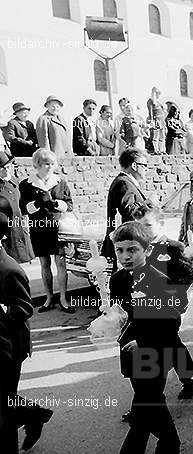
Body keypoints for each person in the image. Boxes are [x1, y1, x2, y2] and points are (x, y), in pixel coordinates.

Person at [110, 222, 182, 453]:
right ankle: (169, 440)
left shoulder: (159, 279)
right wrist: (110, 321)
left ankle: (161, 444)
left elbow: (172, 322)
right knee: (150, 402)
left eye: (132, 250)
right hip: (130, 351)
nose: (125, 256)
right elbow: (120, 313)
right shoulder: (118, 279)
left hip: (156, 352)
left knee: (146, 401)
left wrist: (144, 340)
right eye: (120, 250)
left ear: (147, 250)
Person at [0, 201, 53, 453]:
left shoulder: (8, 269)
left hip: (8, 347)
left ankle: (31, 417)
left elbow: (23, 307)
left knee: (4, 406)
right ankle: (34, 414)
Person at [19, 149, 74, 313]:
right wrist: (38, 203)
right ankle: (49, 298)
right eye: (46, 164)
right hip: (39, 228)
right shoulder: (27, 184)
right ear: (38, 165)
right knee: (44, 264)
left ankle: (63, 298)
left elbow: (69, 205)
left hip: (58, 228)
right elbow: (24, 208)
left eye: (52, 163)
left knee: (61, 263)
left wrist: (57, 204)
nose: (50, 167)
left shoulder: (60, 182)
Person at [101, 148, 149, 270]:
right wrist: (149, 207)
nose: (146, 169)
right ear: (134, 165)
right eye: (144, 165)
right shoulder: (124, 184)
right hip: (128, 243)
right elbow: (130, 214)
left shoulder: (125, 182)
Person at [0, 153, 33, 264]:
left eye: (8, 167)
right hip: (4, 232)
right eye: (2, 168)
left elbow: (21, 205)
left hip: (18, 229)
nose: (6, 170)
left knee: (19, 265)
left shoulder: (14, 181)